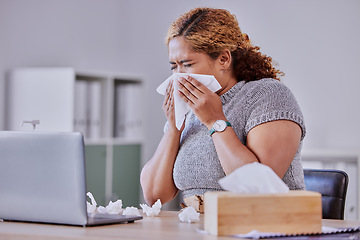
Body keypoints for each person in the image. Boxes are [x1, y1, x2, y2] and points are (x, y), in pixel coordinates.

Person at [140, 7, 306, 209]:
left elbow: (258, 191)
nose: (178, 76)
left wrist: (215, 121)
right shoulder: (190, 108)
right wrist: (174, 128)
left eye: (187, 64)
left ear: (224, 59)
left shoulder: (268, 95)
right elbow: (154, 196)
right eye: (174, 67)